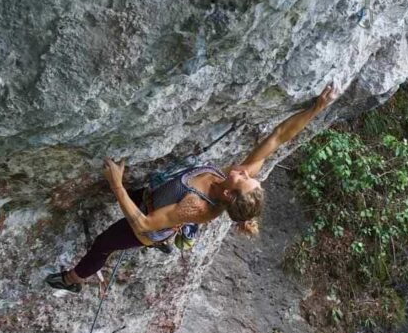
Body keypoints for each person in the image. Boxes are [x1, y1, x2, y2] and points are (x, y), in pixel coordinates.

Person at [45, 83, 338, 290]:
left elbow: (145, 223)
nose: (244, 172)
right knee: (112, 198)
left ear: (227, 194)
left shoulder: (197, 206)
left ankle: (72, 280)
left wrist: (117, 185)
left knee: (103, 244)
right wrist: (316, 109)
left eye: (244, 179)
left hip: (149, 225)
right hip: (154, 195)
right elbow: (277, 137)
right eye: (250, 176)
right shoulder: (233, 178)